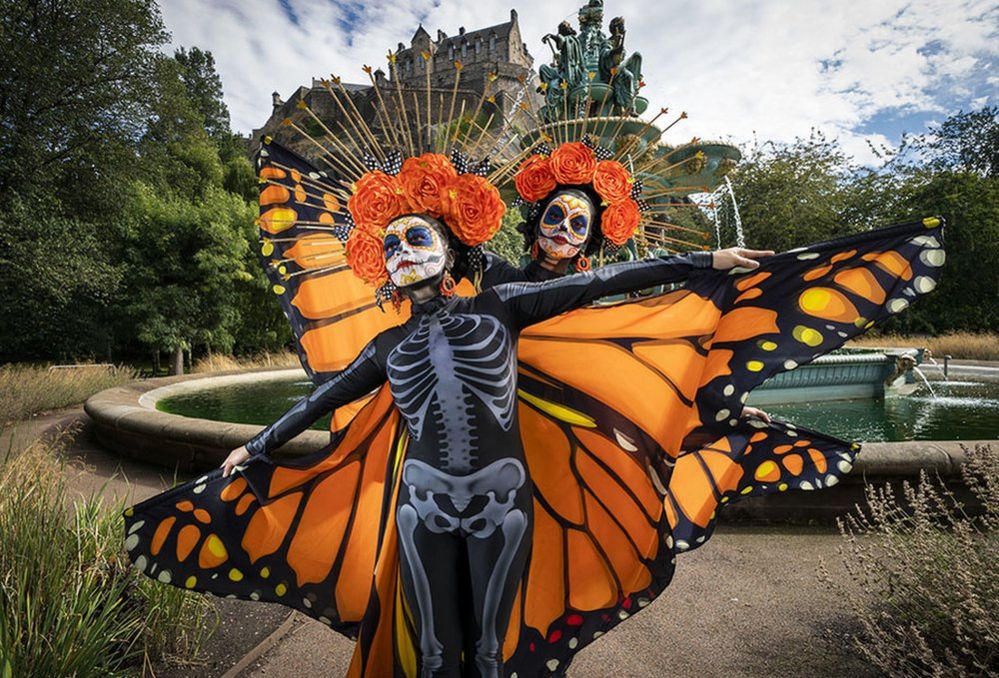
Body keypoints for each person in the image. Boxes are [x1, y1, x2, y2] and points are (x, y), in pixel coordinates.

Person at [222, 201, 769, 675]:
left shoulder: (499, 305)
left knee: (490, 651)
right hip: (421, 507)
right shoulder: (386, 346)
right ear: (382, 265)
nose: (403, 251)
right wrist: (256, 445)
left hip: (501, 503)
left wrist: (706, 262)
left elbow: (601, 282)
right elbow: (321, 399)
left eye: (417, 238)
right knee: (434, 652)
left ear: (448, 253)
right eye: (391, 245)